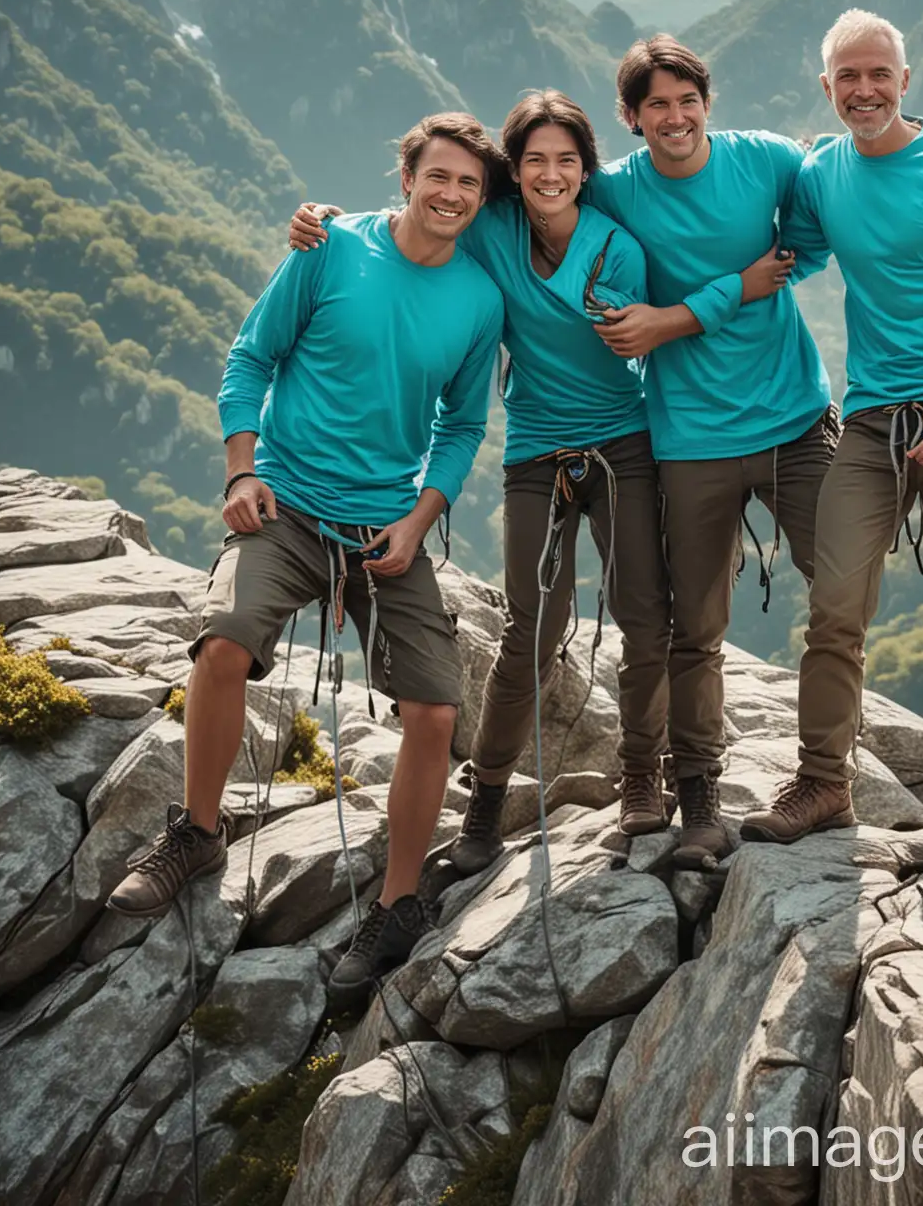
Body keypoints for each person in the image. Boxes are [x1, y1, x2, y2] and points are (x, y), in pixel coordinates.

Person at [106, 111, 505, 1018]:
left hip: (384, 528)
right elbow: (251, 357)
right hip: (284, 502)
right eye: (437, 177)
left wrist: (420, 519)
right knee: (223, 645)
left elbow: (463, 426)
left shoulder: (481, 301)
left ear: (482, 201)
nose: (450, 196)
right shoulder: (329, 247)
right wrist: (240, 471)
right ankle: (197, 833)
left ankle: (399, 905)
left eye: (469, 186)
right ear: (406, 179)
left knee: (437, 710)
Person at [289, 92, 716, 874]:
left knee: (643, 617)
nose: (550, 175)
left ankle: (641, 782)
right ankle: (484, 802)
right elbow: (422, 216)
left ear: (587, 169)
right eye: (534, 162)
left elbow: (624, 343)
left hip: (623, 446)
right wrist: (322, 221)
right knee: (532, 629)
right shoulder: (488, 229)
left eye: (566, 161)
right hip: (535, 451)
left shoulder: (616, 246)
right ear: (511, 174)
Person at [740, 10, 923, 853]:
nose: (865, 90)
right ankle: (823, 784)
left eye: (880, 75)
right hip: (872, 421)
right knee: (834, 607)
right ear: (827, 87)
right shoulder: (823, 174)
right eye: (848, 77)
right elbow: (788, 250)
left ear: (906, 81)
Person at [586, 36, 838, 867]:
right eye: (655, 104)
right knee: (692, 628)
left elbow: (849, 170)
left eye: (687, 98)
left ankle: (824, 779)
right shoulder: (614, 191)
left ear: (708, 100)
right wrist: (337, 226)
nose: (675, 116)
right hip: (689, 438)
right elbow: (518, 191)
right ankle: (693, 793)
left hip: (796, 421)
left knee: (840, 590)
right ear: (631, 118)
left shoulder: (764, 160)